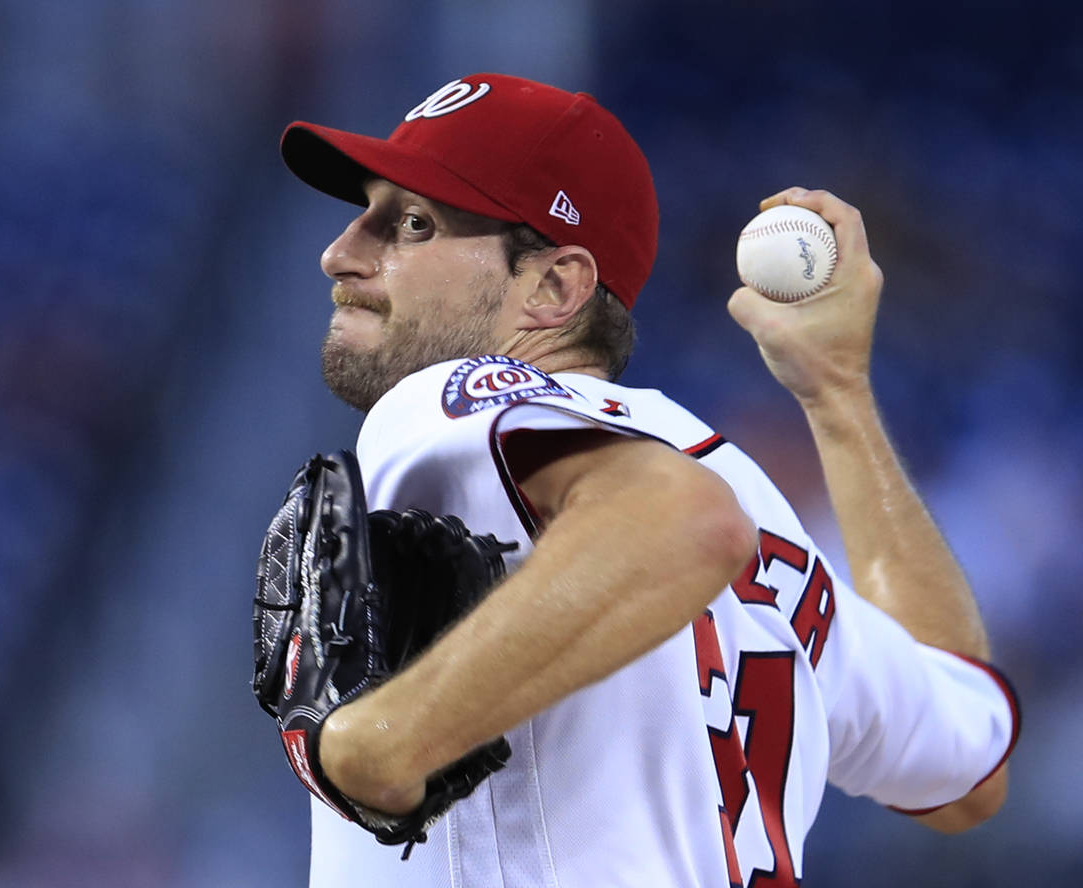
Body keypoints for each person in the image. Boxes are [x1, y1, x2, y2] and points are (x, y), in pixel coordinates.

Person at [277, 73, 1019, 887]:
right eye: (368, 213)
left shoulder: (453, 397)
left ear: (554, 287)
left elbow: (684, 522)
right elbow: (968, 763)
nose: (341, 253)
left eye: (413, 224)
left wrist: (377, 744)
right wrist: (838, 395)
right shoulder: (767, 525)